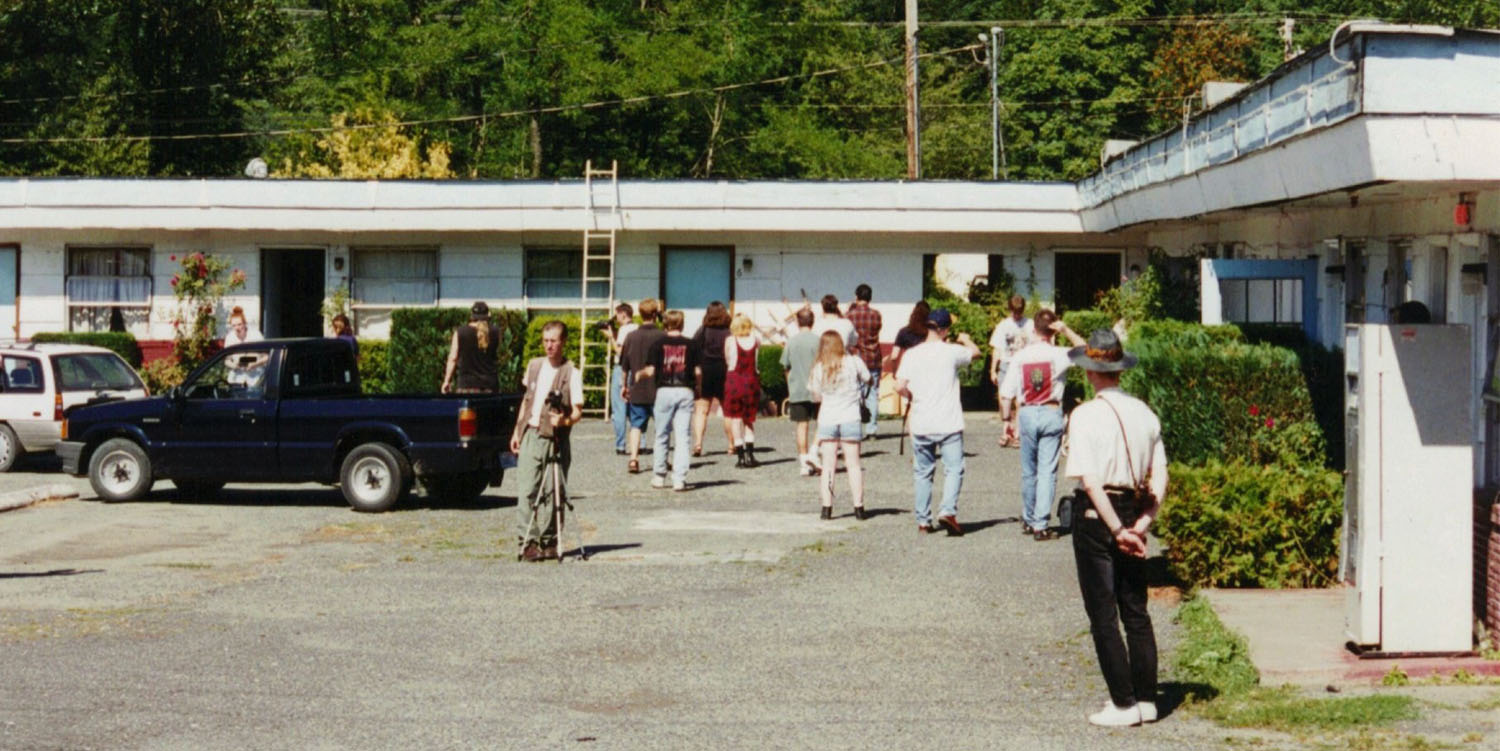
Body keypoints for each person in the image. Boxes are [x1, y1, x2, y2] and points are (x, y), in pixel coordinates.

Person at [1063, 329, 1166, 728]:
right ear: (1120, 369)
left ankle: (1122, 704)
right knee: (1135, 608)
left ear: (1090, 371)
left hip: (1098, 513)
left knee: (1103, 611)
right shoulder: (1145, 413)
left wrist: (1115, 528)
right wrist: (1140, 525)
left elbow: (1089, 480)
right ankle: (1146, 698)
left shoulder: (1085, 415)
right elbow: (1161, 476)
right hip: (1135, 507)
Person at [999, 309, 1086, 541]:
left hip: (1027, 412)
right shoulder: (1059, 354)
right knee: (1047, 471)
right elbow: (1088, 350)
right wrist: (1066, 330)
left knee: (1029, 471)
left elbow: (1006, 393)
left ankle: (1028, 519)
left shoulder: (1020, 356)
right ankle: (1041, 524)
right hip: (1050, 410)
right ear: (1053, 330)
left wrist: (1006, 421)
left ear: (1033, 329)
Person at [894, 308, 979, 536]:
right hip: (948, 421)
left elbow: (899, 385)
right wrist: (966, 339)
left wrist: (911, 395)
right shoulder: (951, 351)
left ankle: (923, 521)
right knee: (953, 469)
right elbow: (976, 353)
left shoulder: (912, 353)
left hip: (922, 421)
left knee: (922, 472)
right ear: (944, 330)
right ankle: (947, 510)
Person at [510, 320, 584, 562]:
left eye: (553, 341)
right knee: (527, 490)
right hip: (531, 434)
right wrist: (517, 432)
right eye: (545, 341)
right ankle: (528, 541)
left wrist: (563, 422)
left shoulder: (572, 372)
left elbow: (577, 411)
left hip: (557, 439)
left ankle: (551, 540)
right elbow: (526, 400)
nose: (549, 346)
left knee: (555, 493)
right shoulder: (534, 366)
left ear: (563, 342)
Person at [635, 310, 702, 491]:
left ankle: (659, 475)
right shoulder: (692, 345)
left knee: (661, 434)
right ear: (682, 324)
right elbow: (697, 372)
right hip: (685, 390)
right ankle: (679, 479)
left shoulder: (657, 344)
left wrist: (639, 374)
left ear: (665, 324)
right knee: (683, 436)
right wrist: (698, 388)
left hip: (664, 391)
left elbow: (650, 370)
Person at [808, 330, 870, 520]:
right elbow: (868, 378)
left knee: (828, 466)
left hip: (828, 418)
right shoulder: (853, 362)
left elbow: (816, 395)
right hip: (850, 417)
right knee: (853, 465)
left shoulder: (819, 367)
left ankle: (827, 508)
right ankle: (858, 507)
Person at [618, 299, 666, 474]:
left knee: (636, 426)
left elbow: (625, 365)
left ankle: (633, 459)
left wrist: (623, 386)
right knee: (662, 426)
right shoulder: (663, 336)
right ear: (655, 314)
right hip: (659, 389)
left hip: (637, 388)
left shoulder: (631, 336)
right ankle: (662, 459)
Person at [781, 308, 823, 476]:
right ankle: (814, 450)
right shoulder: (819, 340)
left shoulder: (791, 341)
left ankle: (803, 461)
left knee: (801, 425)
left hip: (797, 388)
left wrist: (790, 383)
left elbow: (785, 366)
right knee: (822, 423)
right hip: (817, 388)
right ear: (812, 322)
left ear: (798, 322)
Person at [690, 301, 735, 457]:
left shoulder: (702, 331)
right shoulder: (729, 332)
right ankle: (731, 445)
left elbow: (692, 349)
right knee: (728, 411)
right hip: (724, 371)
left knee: (701, 411)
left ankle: (698, 444)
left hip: (706, 371)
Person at [988, 295, 1033, 448]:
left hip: (1023, 366)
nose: (1017, 315)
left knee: (1020, 401)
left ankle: (1018, 433)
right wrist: (993, 369)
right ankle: (1006, 429)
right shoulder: (1003, 325)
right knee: (1004, 400)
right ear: (1010, 310)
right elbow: (997, 348)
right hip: (1006, 365)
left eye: (1019, 312)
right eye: (1014, 312)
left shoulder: (1030, 324)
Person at [722, 313, 762, 468]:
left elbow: (728, 360)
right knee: (749, 419)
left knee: (735, 418)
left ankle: (740, 456)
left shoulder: (730, 341)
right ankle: (750, 455)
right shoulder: (756, 340)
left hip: (735, 381)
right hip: (751, 380)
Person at [846, 283, 883, 439]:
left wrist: (849, 308)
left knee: (855, 393)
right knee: (873, 393)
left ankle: (857, 429)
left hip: (857, 357)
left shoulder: (850, 315)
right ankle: (872, 429)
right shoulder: (876, 315)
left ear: (856, 296)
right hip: (873, 356)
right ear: (870, 297)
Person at [440, 301, 500, 394]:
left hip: (467, 385)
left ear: (472, 316)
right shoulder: (495, 332)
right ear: (488, 315)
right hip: (490, 385)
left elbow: (453, 358)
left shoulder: (461, 332)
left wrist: (447, 381)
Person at [608, 302, 639, 456]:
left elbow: (620, 351)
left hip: (621, 368)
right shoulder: (637, 328)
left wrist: (611, 338)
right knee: (635, 407)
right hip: (636, 369)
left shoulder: (624, 329)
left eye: (617, 315)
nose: (616, 319)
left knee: (619, 407)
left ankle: (620, 444)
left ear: (623, 314)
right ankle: (641, 442)